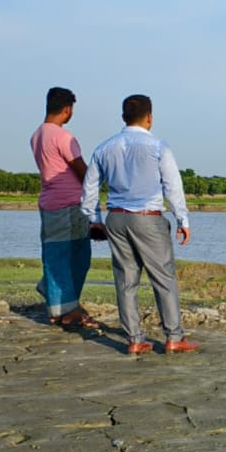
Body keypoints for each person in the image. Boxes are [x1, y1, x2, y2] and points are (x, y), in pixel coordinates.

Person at [80, 94, 199, 355]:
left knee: (125, 279)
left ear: (124, 117)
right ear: (150, 117)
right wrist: (182, 219)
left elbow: (89, 188)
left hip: (116, 218)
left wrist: (94, 220)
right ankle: (174, 336)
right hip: (148, 217)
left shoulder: (104, 148)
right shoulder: (158, 147)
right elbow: (172, 186)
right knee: (163, 277)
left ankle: (134, 339)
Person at [30, 87, 102, 330]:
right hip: (70, 203)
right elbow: (82, 171)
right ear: (67, 109)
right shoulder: (63, 137)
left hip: (49, 202)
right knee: (77, 257)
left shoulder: (37, 135)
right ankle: (68, 310)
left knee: (55, 253)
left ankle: (56, 298)